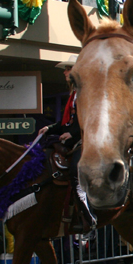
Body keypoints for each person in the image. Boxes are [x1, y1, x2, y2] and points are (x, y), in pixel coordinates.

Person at [38, 55, 95, 229]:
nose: (64, 72)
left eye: (68, 68)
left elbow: (88, 118)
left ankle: (88, 217)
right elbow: (67, 122)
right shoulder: (74, 94)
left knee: (74, 172)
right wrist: (50, 128)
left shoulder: (86, 92)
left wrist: (72, 134)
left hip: (85, 141)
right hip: (75, 139)